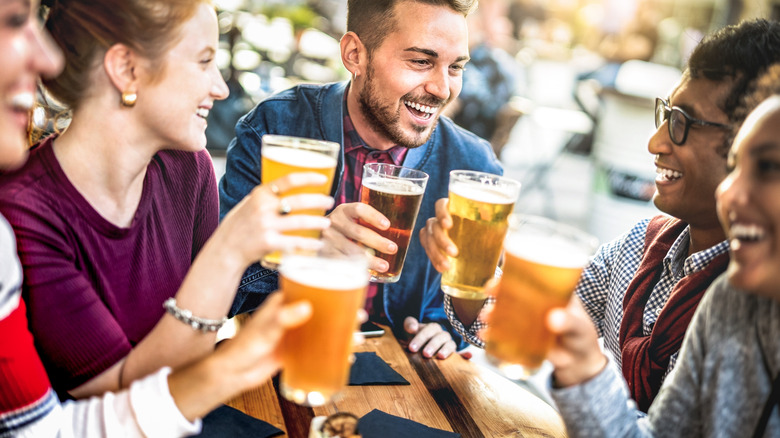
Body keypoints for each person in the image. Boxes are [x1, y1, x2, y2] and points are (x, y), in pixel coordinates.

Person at [421, 18, 780, 410]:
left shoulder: (755, 306)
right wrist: (470, 271)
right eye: (666, 114)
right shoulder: (640, 248)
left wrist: (587, 376)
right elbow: (519, 325)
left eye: (682, 124)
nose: (655, 143)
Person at [0, 1, 315, 436]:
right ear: (126, 69)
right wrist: (227, 251)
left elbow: (200, 345)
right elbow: (114, 395)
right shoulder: (24, 212)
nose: (221, 88)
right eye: (204, 61)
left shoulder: (190, 168)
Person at [219, 0, 502, 359]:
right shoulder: (274, 130)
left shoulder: (474, 167)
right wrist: (304, 249)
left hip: (405, 376)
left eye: (456, 67)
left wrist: (452, 327)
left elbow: (487, 321)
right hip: (279, 359)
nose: (442, 89)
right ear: (354, 54)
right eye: (421, 61)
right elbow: (217, 291)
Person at [545, 63, 780, 437]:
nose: (729, 192)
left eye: (768, 167)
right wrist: (471, 285)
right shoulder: (728, 302)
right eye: (737, 165)